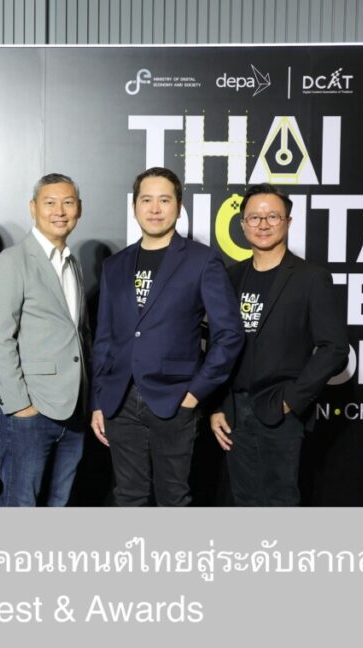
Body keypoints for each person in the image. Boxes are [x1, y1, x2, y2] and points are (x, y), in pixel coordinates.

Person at [91, 167, 243, 506]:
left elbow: (229, 334)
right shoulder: (115, 265)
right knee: (128, 496)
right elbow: (104, 338)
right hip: (119, 401)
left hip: (175, 399)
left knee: (173, 498)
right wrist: (98, 400)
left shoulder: (202, 260)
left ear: (178, 206)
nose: (155, 209)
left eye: (164, 200)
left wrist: (195, 392)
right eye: (146, 200)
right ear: (134, 207)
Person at [209, 183, 348, 506]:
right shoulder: (230, 277)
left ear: (288, 221)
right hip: (233, 412)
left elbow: (335, 348)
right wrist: (217, 405)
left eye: (272, 216)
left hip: (279, 410)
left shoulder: (310, 278)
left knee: (279, 503)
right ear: (242, 224)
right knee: (243, 502)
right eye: (254, 217)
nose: (263, 224)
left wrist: (292, 400)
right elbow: (218, 345)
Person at [0, 173, 90, 506]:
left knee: (58, 504)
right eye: (50, 203)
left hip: (73, 411)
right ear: (33, 208)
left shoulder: (72, 264)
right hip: (29, 411)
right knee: (20, 506)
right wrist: (20, 405)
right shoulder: (11, 262)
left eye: (68, 203)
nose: (60, 211)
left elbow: (77, 335)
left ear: (79, 209)